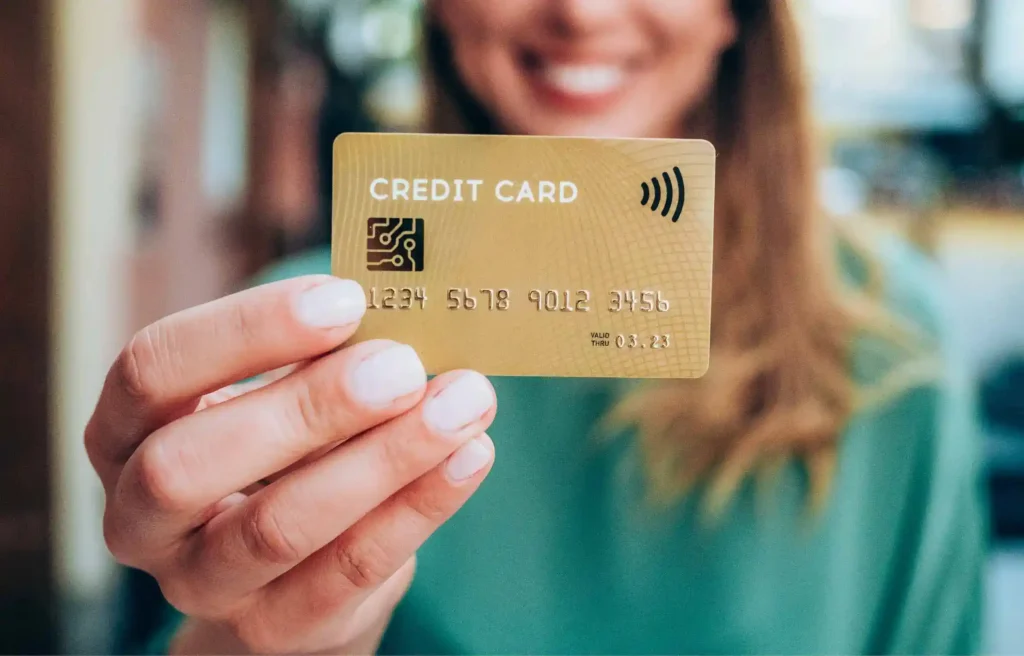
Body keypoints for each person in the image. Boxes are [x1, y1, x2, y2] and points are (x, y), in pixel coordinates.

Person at [88, 1, 987, 653]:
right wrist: (264, 640)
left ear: (735, 14)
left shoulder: (889, 342)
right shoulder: (292, 342)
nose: (581, 13)